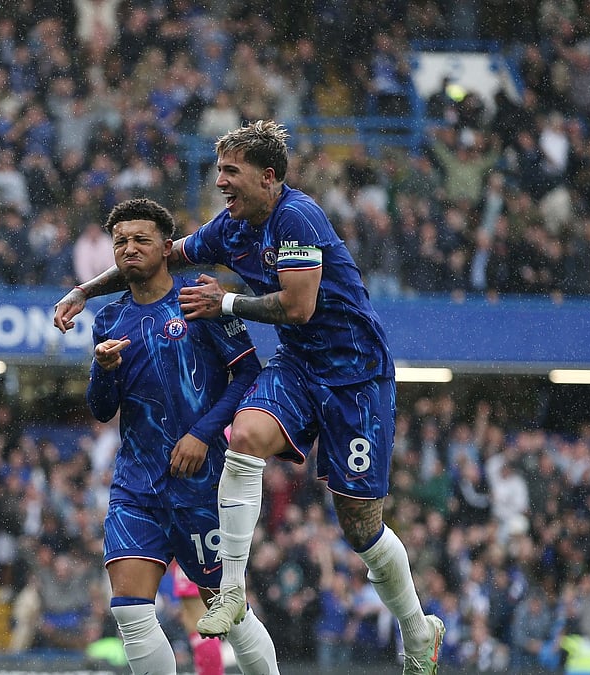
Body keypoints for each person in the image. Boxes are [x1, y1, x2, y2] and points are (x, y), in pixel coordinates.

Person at [54, 122, 445, 675]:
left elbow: (301, 306)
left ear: (268, 177)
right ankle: (231, 589)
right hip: (298, 364)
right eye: (219, 172)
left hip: (357, 375)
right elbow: (161, 256)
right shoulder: (229, 229)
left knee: (360, 527)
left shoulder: (297, 217)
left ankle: (416, 628)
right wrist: (84, 290)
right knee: (246, 436)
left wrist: (228, 304)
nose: (220, 184)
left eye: (231, 173)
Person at [83, 197, 277, 674]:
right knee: (129, 609)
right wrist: (102, 371)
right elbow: (102, 409)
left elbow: (249, 373)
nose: (129, 248)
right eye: (121, 241)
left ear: (167, 248)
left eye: (141, 239)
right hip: (137, 484)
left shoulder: (201, 300)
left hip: (202, 483)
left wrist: (203, 434)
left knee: (227, 611)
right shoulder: (109, 320)